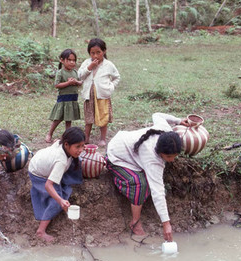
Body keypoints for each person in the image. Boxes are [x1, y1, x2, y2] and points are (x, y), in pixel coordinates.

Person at [106, 112, 190, 242]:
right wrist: (166, 223)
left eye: (175, 156)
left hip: (128, 145)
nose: (172, 160)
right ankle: (135, 222)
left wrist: (178, 121)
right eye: (168, 157)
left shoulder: (166, 132)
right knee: (140, 184)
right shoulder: (152, 158)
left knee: (149, 178)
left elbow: (157, 115)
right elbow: (158, 191)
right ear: (160, 152)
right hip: (117, 156)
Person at [29, 127, 85, 242]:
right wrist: (60, 200)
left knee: (77, 161)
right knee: (56, 201)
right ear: (66, 144)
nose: (81, 150)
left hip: (40, 162)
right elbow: (48, 186)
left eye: (83, 146)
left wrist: (78, 148)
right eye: (77, 147)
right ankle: (41, 231)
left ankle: (63, 180)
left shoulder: (60, 143)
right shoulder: (61, 161)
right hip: (38, 174)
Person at [77, 38, 120, 147]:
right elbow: (80, 75)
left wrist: (110, 87)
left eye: (98, 52)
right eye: (92, 53)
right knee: (88, 118)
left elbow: (116, 77)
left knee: (103, 117)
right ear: (89, 53)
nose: (95, 56)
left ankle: (102, 138)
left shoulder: (108, 65)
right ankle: (86, 138)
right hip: (89, 95)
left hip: (102, 95)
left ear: (104, 51)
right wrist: (89, 68)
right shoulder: (87, 63)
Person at [46, 49, 82, 143]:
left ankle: (67, 136)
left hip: (72, 98)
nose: (72, 62)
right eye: (69, 60)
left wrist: (76, 82)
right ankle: (49, 133)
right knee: (58, 118)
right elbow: (57, 85)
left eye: (73, 60)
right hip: (63, 99)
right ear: (62, 60)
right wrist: (68, 83)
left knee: (69, 119)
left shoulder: (75, 72)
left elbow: (79, 83)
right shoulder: (60, 72)